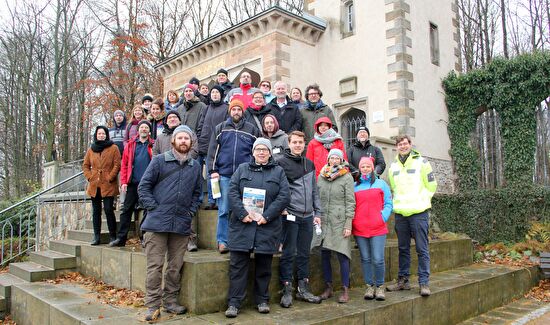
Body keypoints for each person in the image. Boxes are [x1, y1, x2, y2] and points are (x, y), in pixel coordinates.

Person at [138, 125, 202, 321]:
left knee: (175, 266)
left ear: (191, 143)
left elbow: (198, 194)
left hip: (181, 224)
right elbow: (144, 187)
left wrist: (190, 211)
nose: (183, 141)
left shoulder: (195, 166)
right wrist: (154, 208)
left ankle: (170, 300)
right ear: (173, 141)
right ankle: (152, 305)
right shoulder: (159, 161)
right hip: (157, 224)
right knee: (155, 266)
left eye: (187, 138)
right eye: (180, 138)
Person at [225, 138, 290, 318]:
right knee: (237, 267)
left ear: (270, 153)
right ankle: (234, 303)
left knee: (264, 266)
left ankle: (262, 300)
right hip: (242, 225)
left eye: (265, 150)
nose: (261, 152)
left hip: (266, 226)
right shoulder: (242, 169)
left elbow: (284, 196)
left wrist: (267, 216)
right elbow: (231, 192)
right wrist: (242, 213)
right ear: (253, 152)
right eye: (258, 149)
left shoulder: (278, 172)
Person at [386, 135, 437, 296]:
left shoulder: (422, 162)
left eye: (405, 143)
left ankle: (424, 283)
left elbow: (431, 185)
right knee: (403, 249)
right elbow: (393, 187)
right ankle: (403, 281)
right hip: (401, 214)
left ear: (410, 145)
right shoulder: (393, 166)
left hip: (419, 213)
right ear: (396, 147)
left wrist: (422, 200)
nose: (403, 146)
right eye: (400, 144)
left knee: (422, 249)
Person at [207, 99, 260, 253]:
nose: (236, 112)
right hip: (224, 175)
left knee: (246, 209)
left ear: (242, 111)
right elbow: (212, 152)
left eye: (239, 109)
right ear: (230, 111)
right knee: (224, 209)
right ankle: (222, 241)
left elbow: (255, 152)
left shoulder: (252, 130)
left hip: (245, 176)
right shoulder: (220, 128)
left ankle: (244, 241)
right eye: (234, 109)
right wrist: (213, 170)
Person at [276, 131, 322, 308]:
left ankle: (303, 288)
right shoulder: (280, 162)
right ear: (289, 143)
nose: (297, 145)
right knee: (288, 253)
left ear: (304, 144)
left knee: (304, 253)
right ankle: (287, 289)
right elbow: (278, 188)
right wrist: (283, 209)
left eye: (300, 142)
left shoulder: (309, 164)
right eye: (294, 142)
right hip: (290, 214)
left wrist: (318, 213)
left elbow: (314, 191)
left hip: (308, 216)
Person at [312, 149, 355, 303]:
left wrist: (348, 224)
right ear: (328, 159)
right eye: (332, 158)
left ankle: (345, 289)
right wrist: (316, 215)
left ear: (341, 160)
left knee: (343, 255)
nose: (335, 160)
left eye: (337, 158)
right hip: (323, 220)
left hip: (339, 221)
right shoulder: (321, 176)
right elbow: (316, 198)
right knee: (324, 255)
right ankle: (328, 287)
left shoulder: (346, 177)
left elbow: (350, 201)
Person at [353, 157, 393, 301]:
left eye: (368, 166)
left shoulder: (381, 184)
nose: (365, 169)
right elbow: (352, 206)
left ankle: (380, 286)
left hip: (378, 228)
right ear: (359, 168)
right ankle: (369, 286)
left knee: (378, 259)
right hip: (360, 228)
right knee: (365, 259)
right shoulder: (354, 186)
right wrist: (355, 222)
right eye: (362, 166)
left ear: (372, 168)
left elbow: (388, 203)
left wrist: (382, 217)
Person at [110, 120, 154, 247]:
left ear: (149, 131)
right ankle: (121, 238)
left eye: (146, 127)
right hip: (133, 183)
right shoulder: (130, 144)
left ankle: (145, 237)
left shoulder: (153, 145)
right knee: (126, 210)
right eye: (142, 127)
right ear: (138, 130)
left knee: (148, 210)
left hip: (148, 185)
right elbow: (124, 164)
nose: (144, 129)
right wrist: (123, 181)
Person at [82, 126, 121, 245]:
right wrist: (90, 177)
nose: (101, 135)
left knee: (109, 210)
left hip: (108, 184)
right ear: (96, 135)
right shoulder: (91, 149)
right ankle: (96, 236)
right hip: (95, 185)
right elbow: (85, 165)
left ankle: (113, 236)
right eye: (99, 134)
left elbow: (117, 164)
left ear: (107, 135)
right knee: (96, 211)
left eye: (103, 134)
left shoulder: (113, 148)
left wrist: (110, 177)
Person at [197, 85, 228, 210]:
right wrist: (199, 138)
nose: (214, 94)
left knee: (213, 175)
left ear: (221, 95)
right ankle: (203, 199)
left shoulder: (226, 108)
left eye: (217, 92)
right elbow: (201, 124)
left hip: (218, 146)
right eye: (213, 92)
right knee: (200, 174)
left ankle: (213, 200)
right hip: (204, 145)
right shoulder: (206, 108)